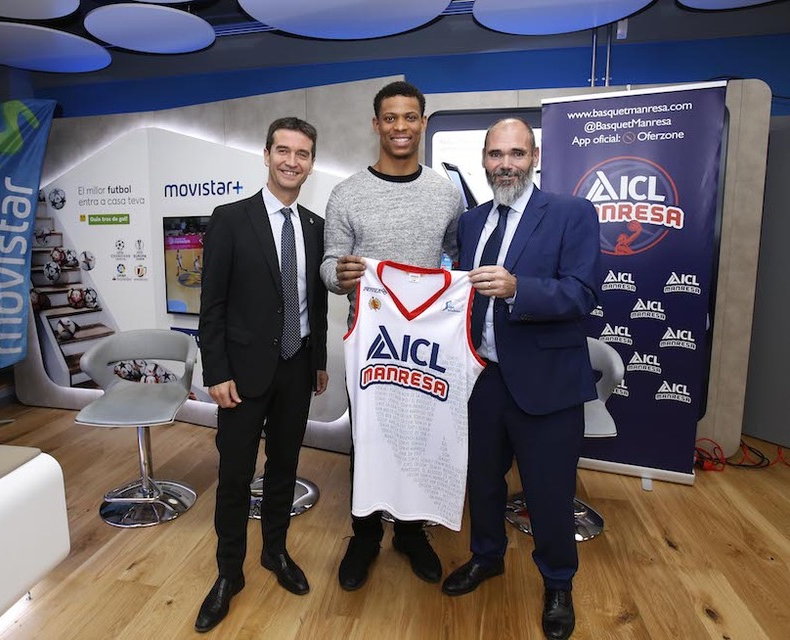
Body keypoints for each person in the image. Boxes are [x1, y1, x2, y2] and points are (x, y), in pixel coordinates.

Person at [442, 117, 600, 640]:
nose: (505, 164)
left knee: (549, 492)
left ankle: (558, 582)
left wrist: (518, 289)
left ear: (534, 158)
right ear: (484, 160)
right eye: (495, 154)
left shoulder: (572, 213)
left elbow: (582, 294)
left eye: (516, 153)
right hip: (482, 377)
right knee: (483, 481)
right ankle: (486, 557)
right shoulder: (471, 222)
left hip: (547, 381)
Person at [320, 80, 464, 591]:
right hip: (370, 343)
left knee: (420, 437)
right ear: (375, 124)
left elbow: (456, 259)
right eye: (390, 118)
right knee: (368, 439)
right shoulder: (347, 193)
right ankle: (364, 536)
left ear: (422, 122)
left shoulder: (446, 193)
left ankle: (409, 532)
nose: (400, 127)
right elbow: (328, 265)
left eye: (409, 117)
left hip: (427, 345)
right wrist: (340, 274)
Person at [195, 117, 329, 634]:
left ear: (311, 163)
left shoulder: (315, 225)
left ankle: (275, 551)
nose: (292, 161)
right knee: (234, 476)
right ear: (267, 154)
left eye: (302, 153)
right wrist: (216, 370)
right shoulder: (230, 219)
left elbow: (316, 302)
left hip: (297, 367)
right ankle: (229, 574)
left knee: (284, 466)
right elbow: (212, 305)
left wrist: (318, 361)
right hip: (242, 375)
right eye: (284, 150)